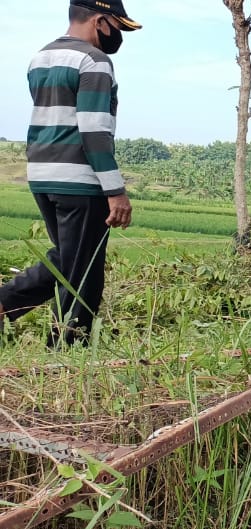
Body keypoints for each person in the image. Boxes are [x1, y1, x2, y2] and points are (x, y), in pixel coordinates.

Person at [0, 0, 140, 347]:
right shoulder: (94, 60)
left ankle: (3, 306)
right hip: (79, 180)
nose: (118, 36)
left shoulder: (40, 58)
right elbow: (94, 130)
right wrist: (115, 191)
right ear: (100, 20)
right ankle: (65, 355)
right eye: (117, 27)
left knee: (67, 259)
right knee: (83, 278)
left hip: (43, 174)